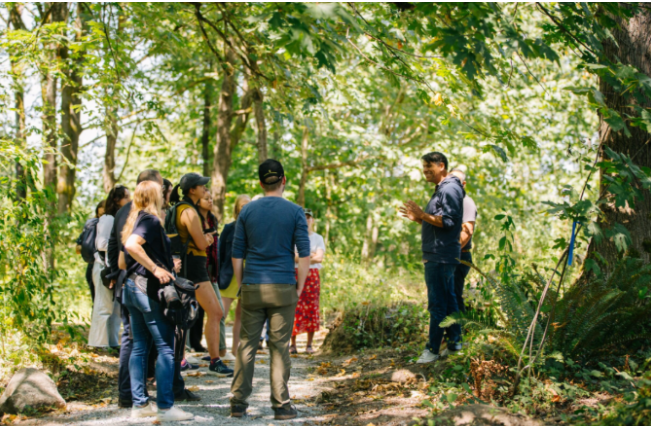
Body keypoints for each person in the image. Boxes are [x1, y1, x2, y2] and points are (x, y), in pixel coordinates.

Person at [107, 170, 199, 408]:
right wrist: (157, 269)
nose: (165, 196)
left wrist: (162, 262)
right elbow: (131, 245)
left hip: (131, 287)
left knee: (139, 347)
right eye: (161, 193)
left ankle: (139, 405)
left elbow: (122, 259)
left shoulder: (133, 219)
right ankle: (166, 407)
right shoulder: (149, 220)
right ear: (154, 196)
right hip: (147, 290)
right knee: (166, 348)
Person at [230, 159, 311, 420]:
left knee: (246, 345)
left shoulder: (247, 211)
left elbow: (236, 254)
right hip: (284, 286)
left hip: (253, 285)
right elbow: (305, 254)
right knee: (279, 347)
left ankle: (238, 403)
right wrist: (299, 287)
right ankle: (281, 406)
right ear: (284, 180)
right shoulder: (296, 211)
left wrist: (243, 284)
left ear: (260, 183)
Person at [399, 151, 464, 364]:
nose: (425, 170)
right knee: (448, 301)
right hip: (438, 253)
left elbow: (450, 222)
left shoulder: (450, 188)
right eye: (424, 167)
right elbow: (440, 224)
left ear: (442, 166)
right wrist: (419, 219)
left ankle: (433, 349)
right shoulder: (442, 190)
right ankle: (455, 344)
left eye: (429, 166)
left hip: (441, 255)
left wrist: (423, 215)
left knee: (438, 303)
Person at [170, 173, 232, 377]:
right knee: (215, 312)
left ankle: (179, 360)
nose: (205, 188)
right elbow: (200, 243)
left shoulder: (179, 208)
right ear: (191, 190)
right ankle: (215, 361)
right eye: (201, 186)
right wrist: (207, 238)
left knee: (184, 315)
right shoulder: (188, 211)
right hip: (194, 267)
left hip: (185, 266)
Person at [88, 186, 130, 348]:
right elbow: (101, 243)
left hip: (115, 269)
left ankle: (112, 343)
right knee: (103, 306)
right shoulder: (108, 218)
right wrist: (121, 246)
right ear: (116, 199)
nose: (129, 199)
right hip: (103, 268)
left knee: (116, 309)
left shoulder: (120, 218)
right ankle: (97, 344)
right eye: (125, 197)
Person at [196, 191, 231, 359]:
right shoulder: (193, 218)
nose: (210, 201)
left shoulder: (212, 219)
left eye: (211, 198)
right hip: (196, 271)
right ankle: (184, 352)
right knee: (190, 315)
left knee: (218, 312)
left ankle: (220, 352)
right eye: (206, 198)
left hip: (212, 273)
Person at [290, 208, 326, 355]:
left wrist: (303, 256)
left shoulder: (318, 238)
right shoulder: (292, 237)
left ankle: (309, 345)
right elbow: (292, 257)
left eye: (308, 218)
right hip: (295, 273)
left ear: (312, 220)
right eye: (303, 218)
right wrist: (309, 254)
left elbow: (319, 258)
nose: (306, 220)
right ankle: (292, 345)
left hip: (312, 276)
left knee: (312, 308)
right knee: (294, 306)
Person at [218, 195, 250, 358]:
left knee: (241, 315)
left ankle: (235, 350)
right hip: (228, 276)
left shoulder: (255, 228)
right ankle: (219, 349)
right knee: (220, 313)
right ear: (237, 208)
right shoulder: (229, 228)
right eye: (242, 206)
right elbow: (220, 253)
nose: (244, 208)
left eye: (248, 205)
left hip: (248, 275)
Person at [449, 169, 477, 314]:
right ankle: (451, 332)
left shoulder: (466, 203)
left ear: (463, 184)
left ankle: (458, 333)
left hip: (459, 256)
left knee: (453, 294)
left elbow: (467, 231)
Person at [76, 200, 105, 302]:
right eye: (100, 215)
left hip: (92, 268)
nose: (102, 218)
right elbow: (78, 248)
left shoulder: (90, 224)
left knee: (97, 304)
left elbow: (78, 248)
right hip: (98, 267)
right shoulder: (93, 226)